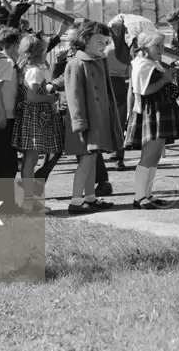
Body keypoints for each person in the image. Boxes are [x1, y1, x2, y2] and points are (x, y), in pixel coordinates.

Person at [125, 30, 179, 209]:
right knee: (148, 156)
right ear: (145, 47)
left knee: (154, 157)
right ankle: (139, 197)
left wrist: (173, 81)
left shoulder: (153, 63)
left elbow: (166, 90)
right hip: (150, 113)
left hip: (159, 112)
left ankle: (148, 194)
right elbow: (145, 90)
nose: (161, 49)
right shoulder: (142, 65)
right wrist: (165, 79)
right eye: (157, 46)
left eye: (162, 45)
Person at [62, 20, 121, 214]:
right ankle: (76, 201)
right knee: (86, 161)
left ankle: (89, 198)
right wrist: (79, 122)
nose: (104, 46)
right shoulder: (75, 64)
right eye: (99, 41)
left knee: (93, 159)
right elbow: (74, 96)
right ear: (85, 40)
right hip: (85, 123)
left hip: (98, 121)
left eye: (105, 42)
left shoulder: (98, 62)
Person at [12, 34, 65, 213]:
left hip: (31, 116)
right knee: (31, 160)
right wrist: (49, 97)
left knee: (30, 159)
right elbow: (32, 96)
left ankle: (29, 199)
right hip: (34, 116)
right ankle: (29, 201)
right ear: (39, 51)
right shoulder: (34, 71)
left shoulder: (26, 68)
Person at [0, 28, 24, 212]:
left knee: (7, 162)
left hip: (4, 116)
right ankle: (6, 204)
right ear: (11, 45)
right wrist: (2, 113)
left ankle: (4, 202)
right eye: (17, 44)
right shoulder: (6, 63)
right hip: (4, 117)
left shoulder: (0, 61)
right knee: (8, 163)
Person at [106, 18, 132, 172]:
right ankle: (119, 157)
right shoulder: (127, 50)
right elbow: (129, 71)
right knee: (120, 122)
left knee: (107, 120)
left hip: (108, 84)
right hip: (122, 84)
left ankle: (111, 150)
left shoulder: (107, 49)